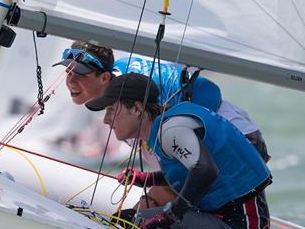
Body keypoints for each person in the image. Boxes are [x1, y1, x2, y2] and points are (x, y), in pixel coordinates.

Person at [86, 73, 271, 229]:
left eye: (111, 110)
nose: (106, 120)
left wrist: (174, 214)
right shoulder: (162, 131)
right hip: (221, 222)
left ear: (136, 108)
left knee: (137, 222)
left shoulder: (172, 130)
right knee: (126, 219)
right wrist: (148, 179)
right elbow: (191, 172)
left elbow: (205, 170)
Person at [55, 41, 270, 162]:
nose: (70, 81)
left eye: (81, 75)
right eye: (68, 72)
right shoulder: (118, 79)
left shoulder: (131, 96)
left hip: (239, 137)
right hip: (218, 131)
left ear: (104, 78)